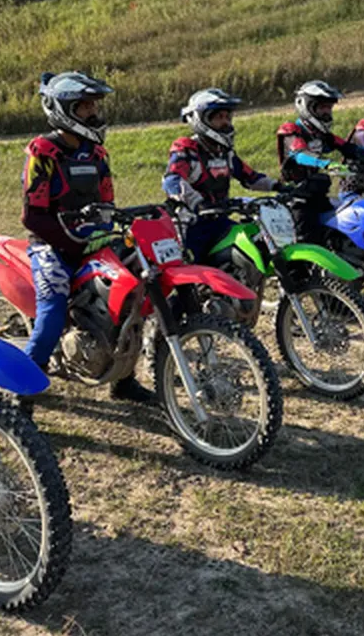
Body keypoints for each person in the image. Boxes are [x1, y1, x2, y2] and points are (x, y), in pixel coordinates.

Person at [21, 71, 152, 404]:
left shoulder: (96, 155)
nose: (94, 114)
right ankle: (21, 393)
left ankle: (123, 380)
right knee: (51, 312)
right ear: (63, 109)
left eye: (94, 107)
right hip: (51, 247)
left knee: (131, 299)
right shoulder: (43, 152)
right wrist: (72, 243)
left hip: (93, 241)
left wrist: (114, 227)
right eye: (85, 108)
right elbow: (32, 215)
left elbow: (107, 201)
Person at [163, 88, 282, 262]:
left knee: (252, 246)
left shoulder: (225, 153)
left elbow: (251, 177)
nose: (226, 122)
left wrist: (278, 186)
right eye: (219, 117)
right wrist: (198, 203)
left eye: (228, 117)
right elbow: (171, 180)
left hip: (220, 220)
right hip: (191, 226)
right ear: (201, 119)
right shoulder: (188, 150)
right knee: (197, 273)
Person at [276, 80, 364, 241]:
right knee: (308, 241)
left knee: (342, 231)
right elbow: (300, 155)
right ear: (306, 106)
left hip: (318, 194)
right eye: (322, 107)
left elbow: (350, 148)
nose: (327, 112)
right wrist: (326, 163)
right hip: (296, 198)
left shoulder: (322, 134)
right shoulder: (291, 130)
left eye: (329, 107)